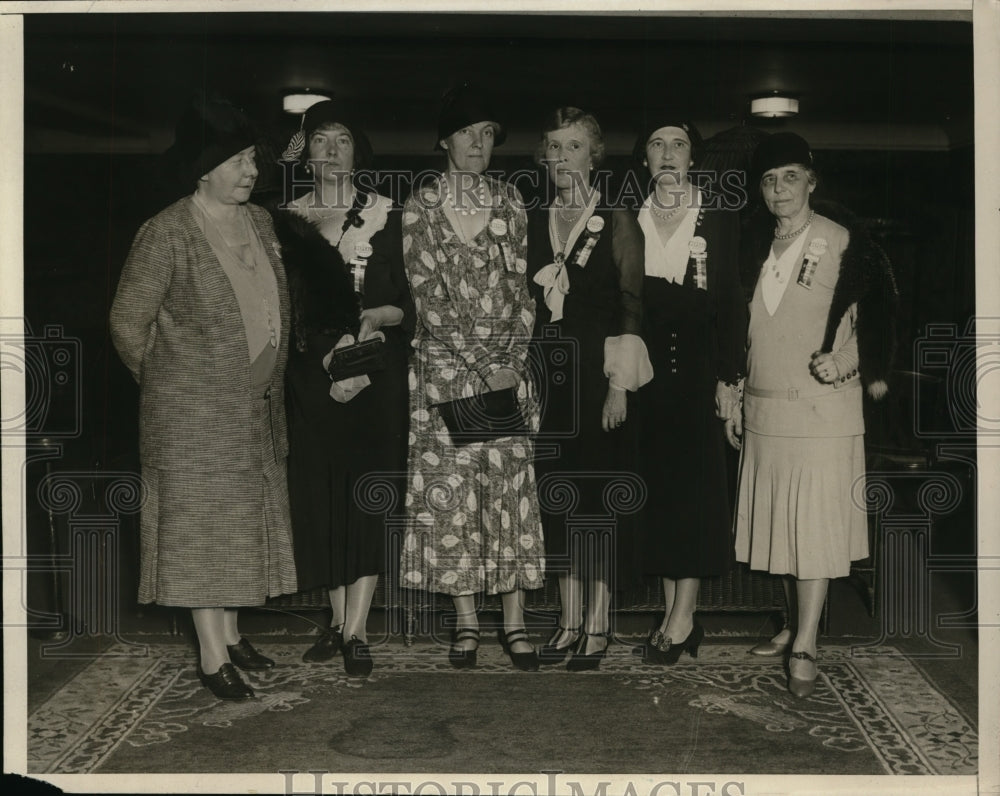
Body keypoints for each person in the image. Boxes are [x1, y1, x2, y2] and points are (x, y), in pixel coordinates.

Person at [110, 95, 297, 701]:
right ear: (203, 168)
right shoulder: (166, 231)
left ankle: (233, 636)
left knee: (241, 525)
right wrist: (174, 383)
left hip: (255, 405)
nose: (251, 171)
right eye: (238, 161)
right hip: (192, 415)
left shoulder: (260, 221)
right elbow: (127, 323)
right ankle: (213, 658)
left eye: (253, 160)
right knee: (202, 533)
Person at [732, 132, 897, 697]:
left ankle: (806, 641)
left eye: (791, 177)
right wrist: (734, 390)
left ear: (811, 180)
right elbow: (741, 328)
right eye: (769, 179)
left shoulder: (841, 239)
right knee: (783, 526)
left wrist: (845, 361)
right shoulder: (752, 243)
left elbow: (881, 318)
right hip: (765, 409)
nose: (780, 189)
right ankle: (792, 624)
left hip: (823, 414)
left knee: (814, 529)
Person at [399, 84, 544, 671]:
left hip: (504, 370)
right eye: (466, 133)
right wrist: (477, 367)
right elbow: (426, 296)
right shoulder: (421, 206)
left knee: (508, 496)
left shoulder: (511, 201)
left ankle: (514, 623)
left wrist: (510, 363)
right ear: (445, 142)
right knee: (453, 499)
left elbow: (523, 291)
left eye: (487, 134)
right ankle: (465, 622)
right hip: (445, 372)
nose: (478, 143)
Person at [272, 100, 413, 677]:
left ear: (359, 152)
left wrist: (376, 316)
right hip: (310, 378)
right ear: (305, 153)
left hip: (375, 371)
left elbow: (411, 304)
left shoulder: (391, 216)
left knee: (367, 495)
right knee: (321, 495)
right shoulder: (282, 221)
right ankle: (336, 620)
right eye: (320, 140)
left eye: (343, 140)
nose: (331, 151)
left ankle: (356, 628)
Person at [526, 107, 650, 671]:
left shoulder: (617, 218)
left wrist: (619, 386)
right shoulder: (536, 218)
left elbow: (631, 306)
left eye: (573, 146)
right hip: (547, 380)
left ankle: (598, 623)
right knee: (557, 499)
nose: (562, 157)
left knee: (596, 501)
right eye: (553, 146)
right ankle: (568, 620)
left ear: (593, 155)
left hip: (599, 379)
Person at [630, 119, 747, 665]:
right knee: (663, 496)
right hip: (647, 375)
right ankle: (675, 613)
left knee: (695, 495)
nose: (668, 153)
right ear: (645, 158)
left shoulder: (717, 216)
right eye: (657, 144)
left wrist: (729, 378)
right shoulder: (629, 216)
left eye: (678, 144)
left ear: (692, 158)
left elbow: (730, 302)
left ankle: (682, 617)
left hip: (698, 374)